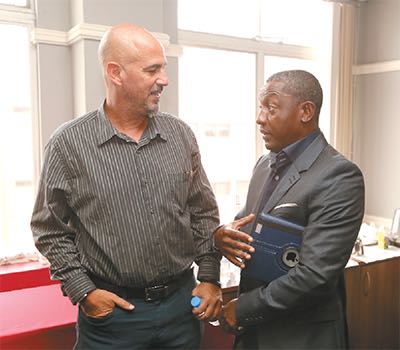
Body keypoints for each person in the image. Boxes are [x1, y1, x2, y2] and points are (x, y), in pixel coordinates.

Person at [31, 23, 222, 349]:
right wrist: (85, 292)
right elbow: (48, 229)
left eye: (163, 68)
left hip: (182, 308)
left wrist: (209, 277)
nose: (164, 79)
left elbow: (203, 212)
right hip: (112, 319)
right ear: (115, 73)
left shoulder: (181, 135)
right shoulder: (68, 143)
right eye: (153, 70)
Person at [214, 70, 365, 349]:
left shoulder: (339, 175)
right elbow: (247, 224)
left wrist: (242, 308)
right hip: (253, 334)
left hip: (300, 336)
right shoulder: (264, 164)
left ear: (305, 111)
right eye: (260, 108)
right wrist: (223, 236)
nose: (260, 118)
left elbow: (315, 276)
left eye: (270, 108)